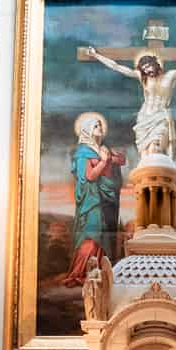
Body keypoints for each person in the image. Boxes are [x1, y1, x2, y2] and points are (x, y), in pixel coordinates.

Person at [81, 43, 176, 159]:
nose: (147, 70)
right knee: (145, 154)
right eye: (144, 68)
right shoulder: (143, 78)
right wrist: (96, 56)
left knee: (155, 148)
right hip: (145, 118)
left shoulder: (171, 75)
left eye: (148, 66)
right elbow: (117, 67)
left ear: (155, 63)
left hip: (160, 117)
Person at [61, 112, 125, 285]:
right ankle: (80, 272)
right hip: (91, 202)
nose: (100, 128)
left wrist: (111, 159)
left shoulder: (100, 149)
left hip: (101, 201)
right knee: (91, 234)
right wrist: (104, 162)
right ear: (87, 130)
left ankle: (97, 271)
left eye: (100, 125)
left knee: (101, 235)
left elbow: (120, 161)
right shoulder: (83, 152)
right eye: (96, 126)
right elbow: (89, 177)